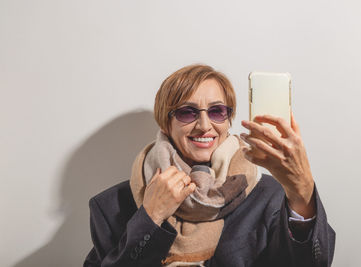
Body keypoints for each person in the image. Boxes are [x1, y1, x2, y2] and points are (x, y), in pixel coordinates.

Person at [84, 64, 335, 267]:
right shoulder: (111, 207)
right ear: (164, 123)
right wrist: (150, 217)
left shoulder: (271, 197)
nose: (205, 125)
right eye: (187, 112)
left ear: (228, 120)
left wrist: (302, 191)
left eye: (217, 111)